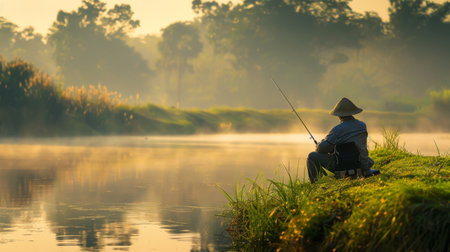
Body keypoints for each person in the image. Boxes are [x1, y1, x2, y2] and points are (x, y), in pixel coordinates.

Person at [307, 97, 379, 183]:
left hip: (343, 166)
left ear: (339, 115)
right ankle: (363, 171)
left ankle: (317, 183)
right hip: (361, 165)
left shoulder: (337, 129)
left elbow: (321, 149)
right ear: (352, 113)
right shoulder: (362, 126)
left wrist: (319, 144)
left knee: (312, 156)